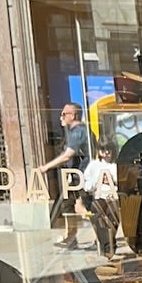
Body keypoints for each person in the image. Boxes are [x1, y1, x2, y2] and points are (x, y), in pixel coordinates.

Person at [48, 101, 91, 246]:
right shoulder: (71, 132)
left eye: (63, 114)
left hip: (79, 175)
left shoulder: (78, 131)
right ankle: (70, 236)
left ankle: (102, 235)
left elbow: (67, 155)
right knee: (68, 205)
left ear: (72, 115)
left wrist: (46, 167)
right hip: (74, 175)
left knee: (82, 207)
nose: (61, 117)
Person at [76, 141, 121, 258]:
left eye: (108, 150)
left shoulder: (116, 165)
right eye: (103, 150)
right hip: (98, 196)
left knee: (113, 214)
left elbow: (123, 183)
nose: (106, 153)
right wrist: (97, 182)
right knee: (98, 215)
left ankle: (110, 244)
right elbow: (86, 185)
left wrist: (113, 181)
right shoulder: (93, 166)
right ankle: (106, 246)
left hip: (113, 196)